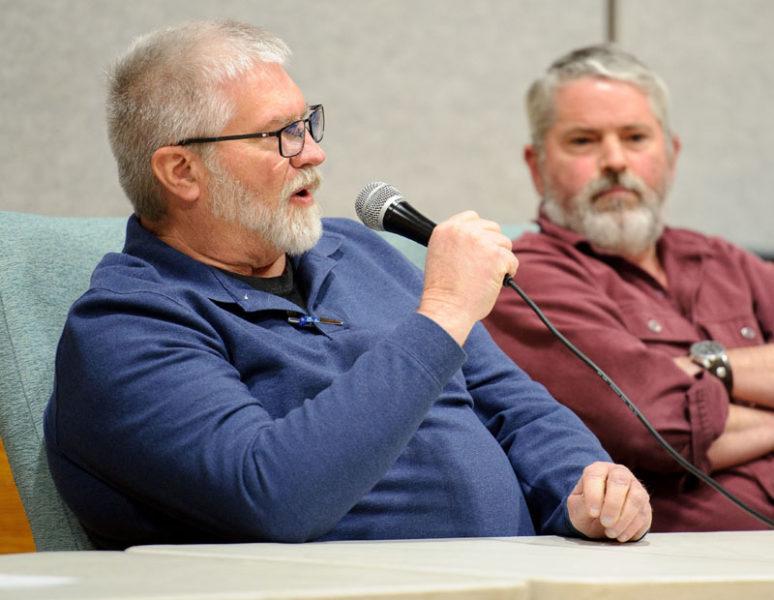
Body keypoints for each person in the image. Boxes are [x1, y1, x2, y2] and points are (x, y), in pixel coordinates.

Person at [43, 21, 650, 550]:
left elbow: (512, 407)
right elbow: (273, 494)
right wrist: (441, 311)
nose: (312, 153)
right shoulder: (125, 327)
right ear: (182, 172)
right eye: (278, 133)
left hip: (517, 575)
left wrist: (586, 486)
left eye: (308, 124)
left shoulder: (356, 253)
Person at [484, 44, 774, 532]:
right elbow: (654, 426)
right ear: (537, 165)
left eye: (635, 137)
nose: (615, 160)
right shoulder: (522, 278)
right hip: (690, 565)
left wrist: (701, 369)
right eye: (583, 141)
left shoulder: (723, 260)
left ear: (671, 154)